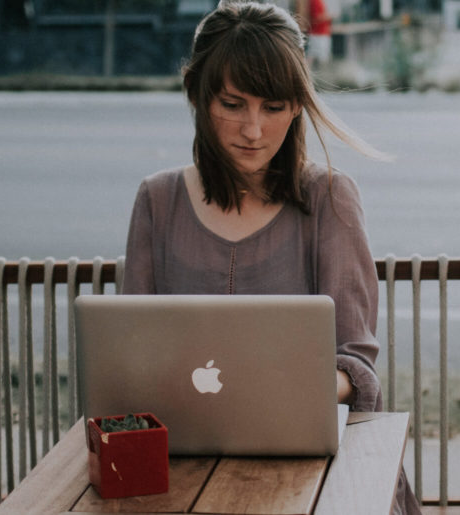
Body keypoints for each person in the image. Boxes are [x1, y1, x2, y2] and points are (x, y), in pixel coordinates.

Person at [121, 2, 421, 513]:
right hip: (182, 469)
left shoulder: (329, 196)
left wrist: (299, 391)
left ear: (299, 105)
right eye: (232, 104)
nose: (254, 131)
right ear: (196, 93)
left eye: (274, 106)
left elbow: (356, 360)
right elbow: (129, 351)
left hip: (313, 472)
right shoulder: (157, 199)